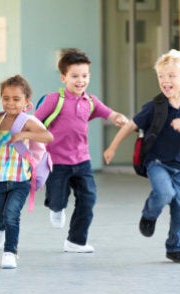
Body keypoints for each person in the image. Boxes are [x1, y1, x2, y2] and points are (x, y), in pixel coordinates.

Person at [103, 49, 180, 264]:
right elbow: (131, 124)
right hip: (157, 162)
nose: (165, 81)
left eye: (171, 76)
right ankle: (149, 215)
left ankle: (175, 247)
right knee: (164, 192)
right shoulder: (154, 106)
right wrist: (112, 147)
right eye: (161, 76)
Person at [34, 48, 128, 253]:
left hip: (82, 160)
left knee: (89, 198)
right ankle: (56, 208)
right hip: (56, 161)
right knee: (58, 199)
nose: (80, 81)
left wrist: (118, 118)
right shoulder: (54, 99)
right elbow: (35, 121)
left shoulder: (90, 101)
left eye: (84, 76)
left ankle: (75, 241)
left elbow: (109, 113)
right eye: (74, 76)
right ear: (63, 78)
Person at [0, 75, 53, 269]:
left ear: (27, 102)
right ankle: (0, 228)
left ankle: (10, 252)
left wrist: (26, 134)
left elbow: (48, 136)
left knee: (12, 213)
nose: (10, 103)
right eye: (6, 98)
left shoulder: (27, 121)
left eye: (16, 99)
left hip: (20, 177)